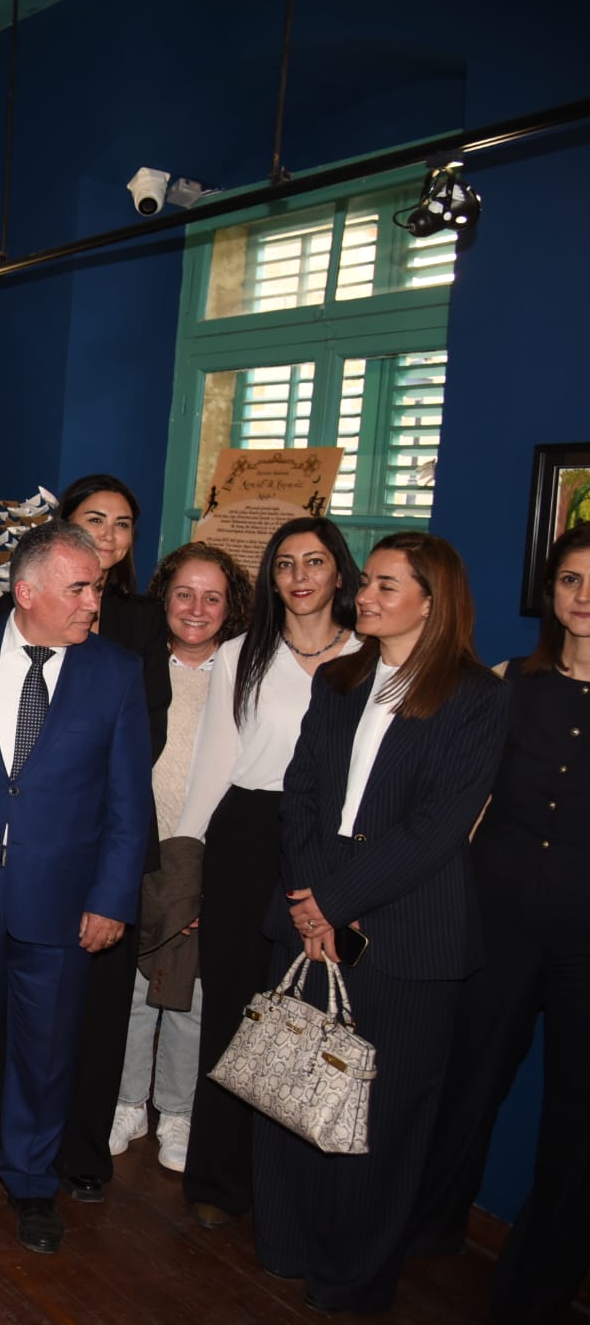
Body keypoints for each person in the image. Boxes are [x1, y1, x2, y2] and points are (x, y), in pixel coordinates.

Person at [253, 532, 508, 1313]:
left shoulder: (475, 695)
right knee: (292, 1090)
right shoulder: (338, 678)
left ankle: (352, 1277)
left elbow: (439, 827)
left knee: (380, 1120)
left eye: (385, 586)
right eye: (367, 582)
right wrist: (308, 896)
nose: (363, 596)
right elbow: (299, 793)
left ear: (433, 601)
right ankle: (289, 1244)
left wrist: (337, 900)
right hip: (308, 909)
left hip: (410, 933)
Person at [0, 520, 151, 1255]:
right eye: (79, 589)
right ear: (27, 591)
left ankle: (33, 1180)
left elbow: (129, 803)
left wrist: (111, 898)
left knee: (45, 1051)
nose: (93, 603)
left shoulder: (116, 672)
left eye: (96, 589)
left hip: (62, 898)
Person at [407, 522, 590, 1322]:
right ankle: (424, 1230)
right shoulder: (511, 682)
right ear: (551, 591)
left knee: (578, 1119)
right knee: (465, 1082)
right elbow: (470, 807)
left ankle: (536, 1288)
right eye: (572, 579)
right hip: (498, 919)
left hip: (585, 937)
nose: (584, 596)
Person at [176, 518, 362, 1228]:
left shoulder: (371, 654)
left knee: (311, 1012)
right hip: (249, 836)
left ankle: (291, 1187)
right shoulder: (240, 653)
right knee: (234, 1008)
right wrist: (188, 869)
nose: (300, 576)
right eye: (285, 564)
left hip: (335, 842)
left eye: (314, 561)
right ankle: (219, 1180)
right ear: (271, 578)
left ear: (339, 571)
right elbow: (214, 764)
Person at [49, 473, 174, 1204]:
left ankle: (82, 1148)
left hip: (109, 839)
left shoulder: (142, 621)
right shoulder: (21, 608)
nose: (109, 534)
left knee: (99, 1012)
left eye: (123, 523)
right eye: (94, 518)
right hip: (30, 840)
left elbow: (147, 735)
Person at [110, 542, 251, 1175]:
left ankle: (179, 1110)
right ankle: (126, 1102)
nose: (196, 608)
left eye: (212, 597)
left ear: (231, 606)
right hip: (141, 847)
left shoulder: (245, 676)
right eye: (184, 594)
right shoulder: (134, 667)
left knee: (188, 993)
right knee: (136, 990)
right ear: (163, 598)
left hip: (207, 855)